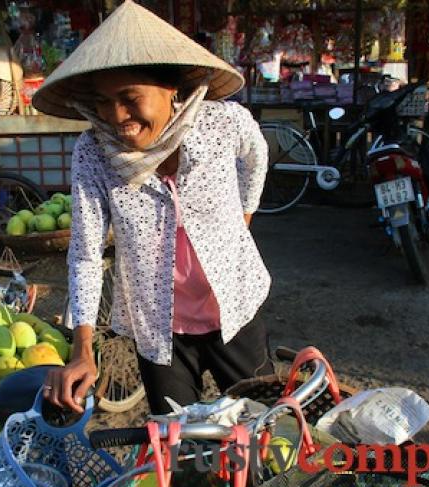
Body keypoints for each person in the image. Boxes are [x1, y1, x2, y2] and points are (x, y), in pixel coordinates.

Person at [34, 0, 272, 415]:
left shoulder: (224, 123)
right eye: (103, 103)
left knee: (262, 426)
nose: (116, 116)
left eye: (129, 98)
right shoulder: (93, 152)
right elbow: (87, 254)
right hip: (158, 326)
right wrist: (82, 348)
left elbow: (257, 156)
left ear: (172, 89)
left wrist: (244, 217)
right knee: (175, 448)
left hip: (233, 306)